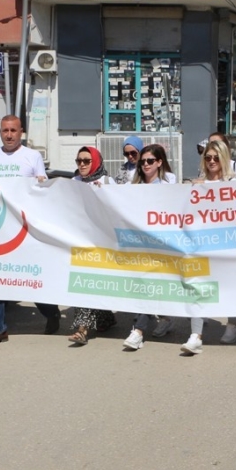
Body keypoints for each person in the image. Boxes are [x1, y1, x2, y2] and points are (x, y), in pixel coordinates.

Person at [0, 115, 55, 348]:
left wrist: (41, 183)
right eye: (5, 130)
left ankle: (50, 313)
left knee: (28, 275)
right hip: (0, 227)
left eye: (13, 130)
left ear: (21, 132)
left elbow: (40, 191)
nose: (9, 134)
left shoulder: (32, 157)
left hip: (25, 228)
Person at [180, 140, 236, 352]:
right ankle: (196, 334)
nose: (212, 161)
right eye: (208, 158)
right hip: (201, 245)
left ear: (224, 159)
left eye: (216, 157)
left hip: (227, 244)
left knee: (230, 286)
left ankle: (233, 323)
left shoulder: (234, 185)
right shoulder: (197, 185)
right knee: (196, 285)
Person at [123, 144, 176, 350]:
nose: (145, 164)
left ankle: (138, 331)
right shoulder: (132, 187)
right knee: (143, 287)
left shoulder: (167, 188)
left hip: (158, 246)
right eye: (143, 161)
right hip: (136, 246)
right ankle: (165, 318)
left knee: (147, 286)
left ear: (159, 163)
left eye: (150, 161)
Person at [68, 146, 117, 345]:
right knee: (84, 282)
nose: (82, 164)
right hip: (80, 241)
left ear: (96, 161)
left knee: (92, 282)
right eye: (78, 160)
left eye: (86, 161)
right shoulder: (73, 182)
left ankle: (84, 327)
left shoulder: (107, 181)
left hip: (101, 242)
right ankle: (93, 323)